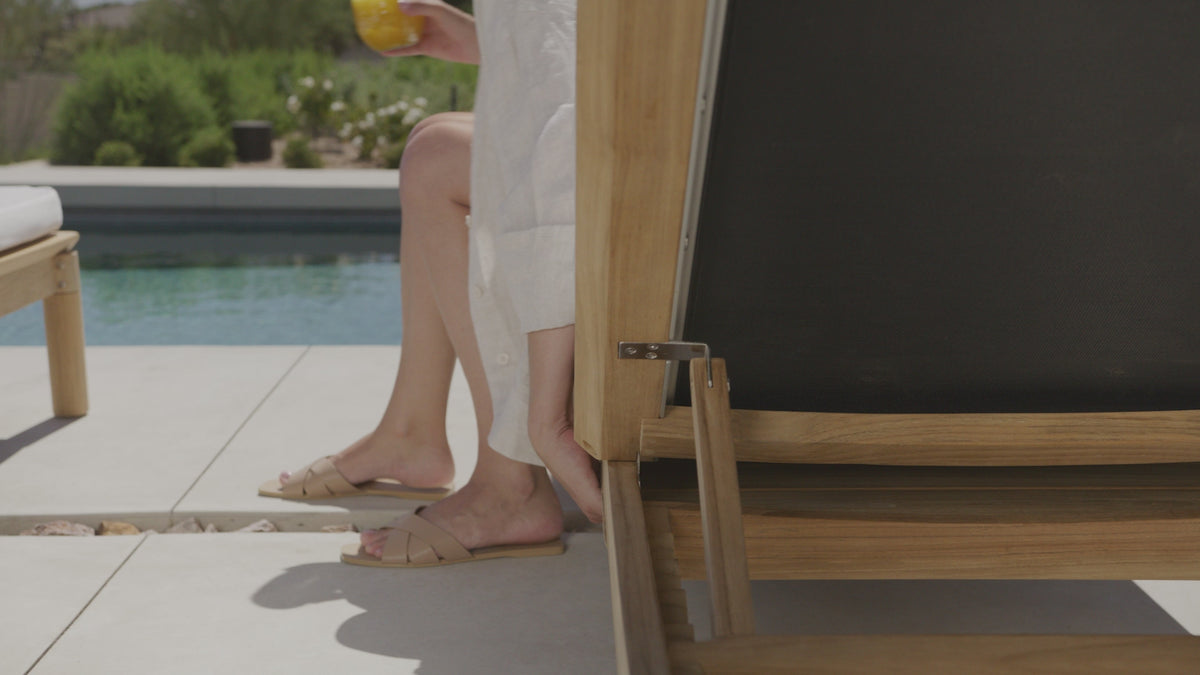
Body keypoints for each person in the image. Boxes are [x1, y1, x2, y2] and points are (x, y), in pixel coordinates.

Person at [258, 0, 601, 567]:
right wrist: (486, 41)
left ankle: (510, 485)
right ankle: (411, 430)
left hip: (654, 209)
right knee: (434, 138)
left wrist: (545, 414)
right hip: (684, 173)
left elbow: (561, 150)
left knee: (435, 160)